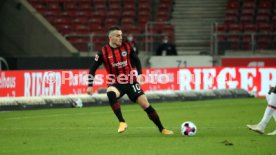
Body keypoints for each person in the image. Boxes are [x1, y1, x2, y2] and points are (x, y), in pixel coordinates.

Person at [87, 26, 173, 135]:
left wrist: (140, 73)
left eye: (121, 36)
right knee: (110, 93)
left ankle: (162, 129)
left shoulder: (127, 47)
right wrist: (90, 85)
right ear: (111, 37)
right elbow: (92, 69)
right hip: (116, 82)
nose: (120, 38)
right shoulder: (102, 53)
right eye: (118, 36)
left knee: (146, 105)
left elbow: (136, 59)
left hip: (131, 81)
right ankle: (122, 122)